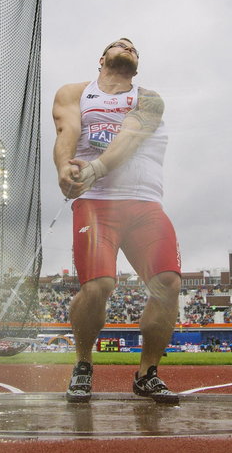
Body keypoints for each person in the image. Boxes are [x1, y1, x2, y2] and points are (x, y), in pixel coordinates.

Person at [52, 37, 181, 404]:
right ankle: (83, 365)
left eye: (133, 47)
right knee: (99, 286)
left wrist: (96, 168)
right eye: (118, 43)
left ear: (136, 64)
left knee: (168, 282)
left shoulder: (148, 98)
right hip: (96, 203)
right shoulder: (74, 93)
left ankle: (147, 373)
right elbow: (67, 133)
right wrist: (65, 168)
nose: (126, 45)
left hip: (143, 201)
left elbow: (129, 138)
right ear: (101, 58)